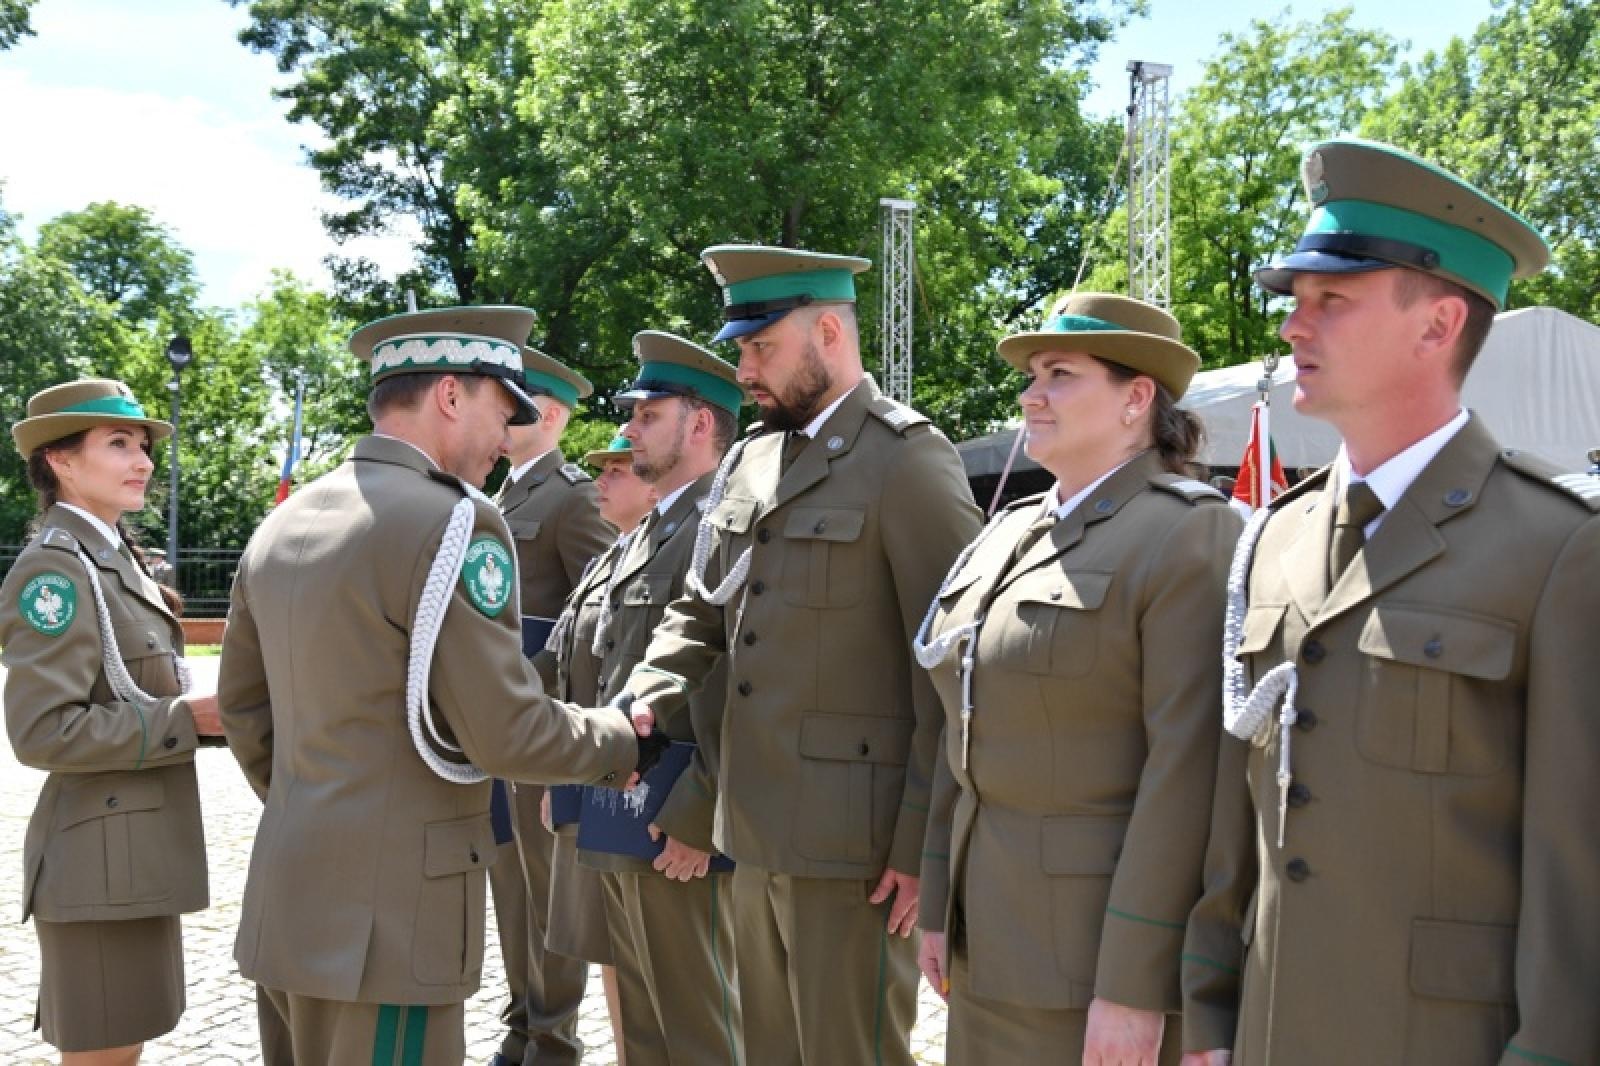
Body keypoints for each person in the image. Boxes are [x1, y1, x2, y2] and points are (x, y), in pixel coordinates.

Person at [1181, 138, 1600, 1066]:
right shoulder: (1272, 537)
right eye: (1295, 300)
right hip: (1271, 1026)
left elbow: (1579, 873)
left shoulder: (1559, 548)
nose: (1295, 325)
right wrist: (1210, 1016)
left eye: (1332, 300)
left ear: (1437, 325)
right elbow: (1237, 818)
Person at [217, 305, 662, 1066]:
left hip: (287, 905)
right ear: (450, 396)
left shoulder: (285, 524)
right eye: (501, 410)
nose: (505, 437)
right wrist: (621, 738)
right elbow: (506, 732)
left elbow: (246, 716)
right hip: (390, 927)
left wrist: (328, 806)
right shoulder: (455, 523)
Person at [618, 246, 982, 1065]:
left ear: (828, 331)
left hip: (855, 850)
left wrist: (922, 848)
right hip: (750, 831)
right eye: (742, 349)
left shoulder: (907, 458)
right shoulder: (751, 458)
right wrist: (645, 697)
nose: (745, 370)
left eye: (761, 349)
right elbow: (702, 612)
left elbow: (952, 668)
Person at [913, 294, 1240, 1064]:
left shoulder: (1188, 532)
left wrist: (1137, 982)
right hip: (987, 940)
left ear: (1136, 399)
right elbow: (960, 726)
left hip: (1090, 959)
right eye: (1032, 374)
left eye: (1060, 374)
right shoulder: (1010, 533)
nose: (1032, 394)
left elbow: (1189, 776)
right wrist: (940, 901)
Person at [0, 377, 224, 1065]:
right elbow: (41, 732)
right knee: (104, 1055)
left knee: (123, 1047)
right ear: (61, 461)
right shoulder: (56, 573)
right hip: (97, 870)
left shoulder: (112, 558)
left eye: (145, 445)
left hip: (130, 858)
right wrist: (185, 717)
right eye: (119, 443)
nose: (144, 460)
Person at [577, 331, 745, 1064]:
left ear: (699, 423)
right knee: (644, 1023)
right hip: (626, 809)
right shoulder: (657, 526)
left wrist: (701, 812)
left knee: (697, 1027)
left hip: (679, 820)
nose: (631, 427)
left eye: (648, 414)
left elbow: (741, 679)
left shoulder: (721, 523)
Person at [488, 347, 613, 1066]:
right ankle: (522, 1016)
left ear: (555, 414)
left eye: (522, 403)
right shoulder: (495, 496)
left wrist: (548, 695)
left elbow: (595, 609)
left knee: (547, 885)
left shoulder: (571, 497)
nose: (505, 415)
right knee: (510, 882)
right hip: (494, 722)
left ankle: (553, 1035)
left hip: (542, 720)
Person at [533, 432, 659, 1065]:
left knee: (659, 974)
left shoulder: (678, 554)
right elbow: (562, 675)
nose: (601, 481)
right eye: (601, 469)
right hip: (595, 786)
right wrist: (560, 786)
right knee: (611, 954)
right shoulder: (607, 560)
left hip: (645, 794)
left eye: (618, 469)